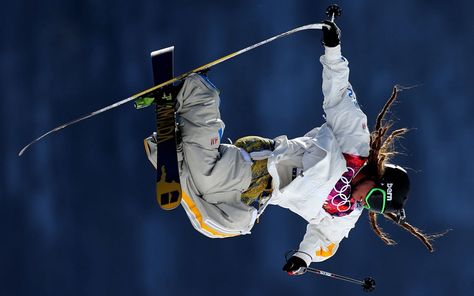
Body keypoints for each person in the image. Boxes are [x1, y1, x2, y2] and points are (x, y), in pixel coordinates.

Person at [144, 21, 442, 275]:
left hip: (261, 195)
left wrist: (304, 257)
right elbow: (338, 97)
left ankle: (180, 148)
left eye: (374, 207)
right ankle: (198, 95)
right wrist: (333, 50)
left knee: (221, 224)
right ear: (376, 177)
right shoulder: (355, 146)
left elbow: (324, 240)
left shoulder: (344, 213)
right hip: (262, 162)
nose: (366, 203)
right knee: (208, 179)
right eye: (374, 197)